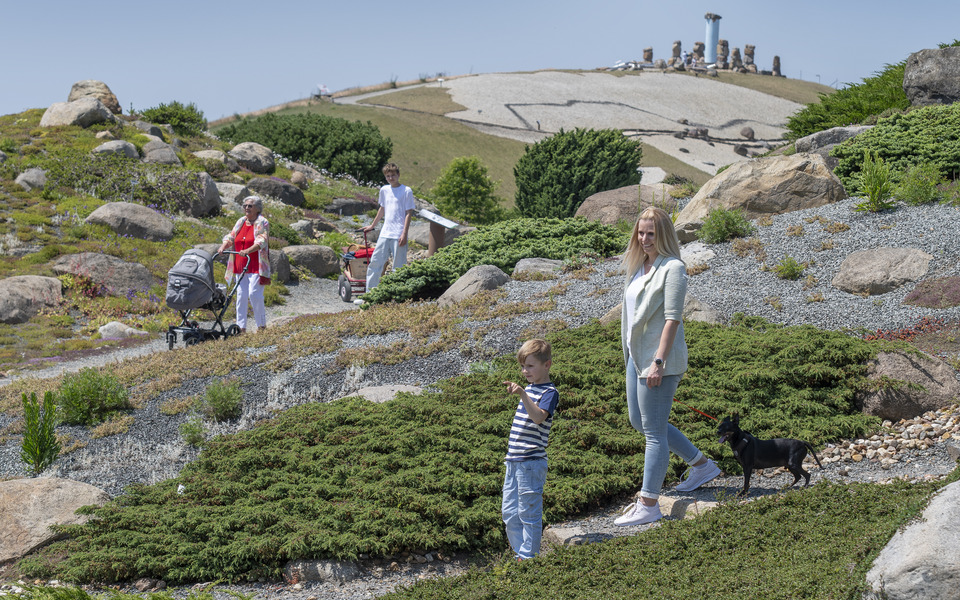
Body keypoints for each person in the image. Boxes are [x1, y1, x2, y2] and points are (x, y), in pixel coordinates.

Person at [614, 206, 720, 527]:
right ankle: (701, 465)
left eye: (651, 233)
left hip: (658, 362)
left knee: (654, 433)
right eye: (641, 232)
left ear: (663, 235)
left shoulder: (673, 268)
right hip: (636, 357)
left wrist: (658, 362)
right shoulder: (639, 266)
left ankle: (648, 503)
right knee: (640, 422)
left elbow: (673, 319)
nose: (644, 239)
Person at [501, 339, 559, 560]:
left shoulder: (549, 392)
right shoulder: (531, 388)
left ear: (547, 365)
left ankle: (528, 558)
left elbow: (538, 418)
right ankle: (521, 555)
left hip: (531, 462)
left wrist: (523, 394)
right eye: (523, 366)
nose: (525, 371)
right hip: (513, 460)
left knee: (528, 513)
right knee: (509, 513)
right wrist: (525, 392)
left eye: (530, 366)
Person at [361, 163, 416, 297]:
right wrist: (372, 226)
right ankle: (370, 295)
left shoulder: (406, 191)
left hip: (398, 234)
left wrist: (404, 233)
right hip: (385, 233)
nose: (391, 178)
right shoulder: (384, 190)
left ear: (398, 175)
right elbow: (382, 209)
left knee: (399, 267)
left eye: (393, 175)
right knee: (375, 262)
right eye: (388, 176)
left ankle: (398, 296)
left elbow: (409, 213)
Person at [218, 195, 271, 333]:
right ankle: (241, 328)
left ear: (257, 208)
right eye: (245, 205)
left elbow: (262, 240)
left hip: (256, 264)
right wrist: (223, 246)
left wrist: (248, 250)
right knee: (241, 296)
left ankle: (261, 326)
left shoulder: (262, 222)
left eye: (250, 206)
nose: (247, 208)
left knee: (254, 294)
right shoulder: (241, 221)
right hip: (240, 264)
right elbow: (231, 236)